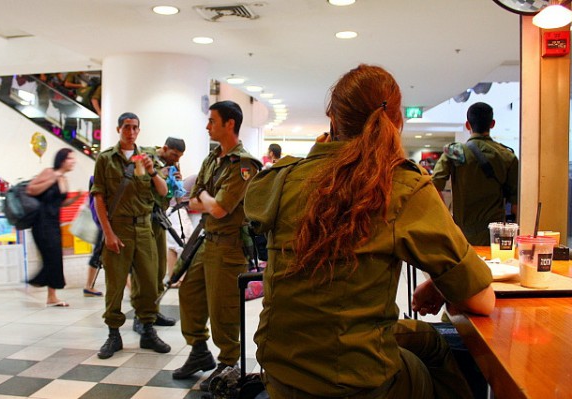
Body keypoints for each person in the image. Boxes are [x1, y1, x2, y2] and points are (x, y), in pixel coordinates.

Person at [244, 64, 495, 398]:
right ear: (397, 120)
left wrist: (318, 156)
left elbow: (257, 207)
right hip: (357, 385)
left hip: (280, 378)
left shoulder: (282, 178)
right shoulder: (402, 185)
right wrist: (441, 284)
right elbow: (483, 301)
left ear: (332, 120)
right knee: (433, 346)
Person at [172, 101, 262, 392]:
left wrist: (207, 201)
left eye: (212, 121)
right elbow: (195, 196)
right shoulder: (213, 157)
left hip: (229, 247)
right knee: (189, 292)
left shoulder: (245, 164)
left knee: (223, 308)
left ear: (229, 124)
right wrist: (207, 200)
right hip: (206, 242)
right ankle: (199, 349)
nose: (207, 126)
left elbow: (222, 208)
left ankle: (228, 364)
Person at [91, 112, 171, 359]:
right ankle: (113, 334)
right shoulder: (106, 159)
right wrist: (108, 233)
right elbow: (99, 198)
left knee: (149, 281)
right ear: (118, 129)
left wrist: (153, 171)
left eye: (135, 127)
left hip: (145, 227)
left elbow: (164, 192)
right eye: (127, 127)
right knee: (115, 284)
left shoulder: (147, 158)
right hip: (119, 228)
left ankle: (147, 330)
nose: (131, 132)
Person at [432, 102, 519, 245]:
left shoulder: (454, 152)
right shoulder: (507, 156)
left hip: (461, 234)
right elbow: (515, 205)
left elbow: (434, 186)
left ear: (468, 125)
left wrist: (446, 218)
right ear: (492, 124)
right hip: (493, 236)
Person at [132, 136, 186, 334]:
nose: (175, 159)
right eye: (174, 155)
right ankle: (140, 315)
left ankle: (153, 311)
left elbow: (169, 196)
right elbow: (136, 183)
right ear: (164, 148)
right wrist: (158, 174)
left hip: (158, 218)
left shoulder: (171, 164)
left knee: (159, 269)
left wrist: (175, 182)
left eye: (179, 157)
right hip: (142, 218)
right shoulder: (146, 156)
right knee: (144, 270)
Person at [26, 148, 82, 307]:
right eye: (71, 158)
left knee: (55, 256)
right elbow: (30, 189)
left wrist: (75, 198)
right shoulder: (49, 172)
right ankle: (37, 283)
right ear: (62, 159)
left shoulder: (64, 179)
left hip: (53, 222)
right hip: (41, 222)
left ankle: (50, 295)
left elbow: (60, 203)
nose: (74, 161)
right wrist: (52, 179)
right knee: (52, 256)